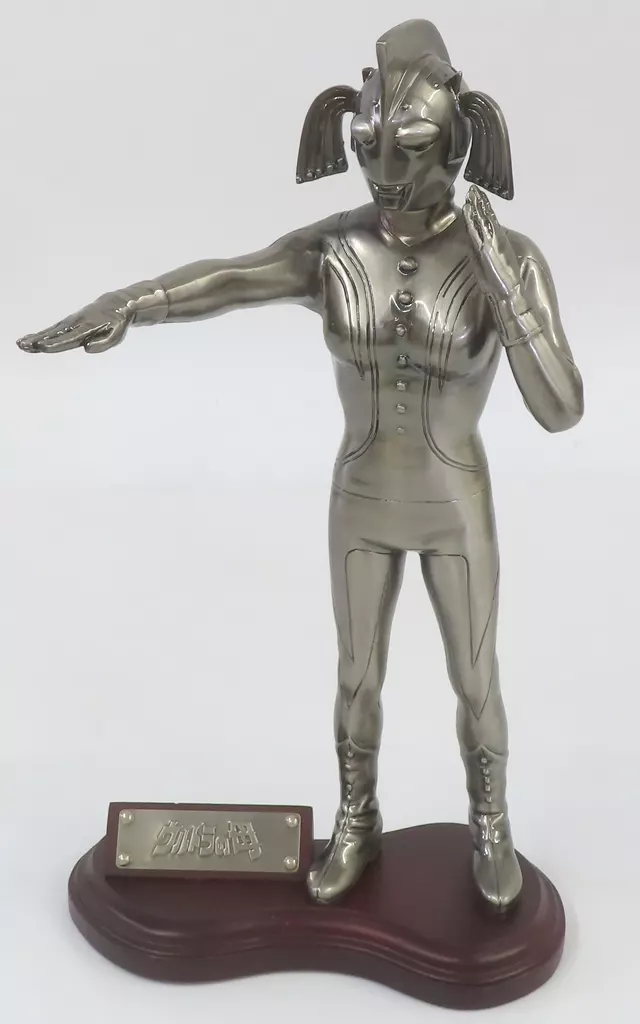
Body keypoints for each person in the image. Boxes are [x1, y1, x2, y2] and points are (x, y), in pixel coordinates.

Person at [17, 20, 583, 909]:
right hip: (360, 494)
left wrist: (506, 288)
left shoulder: (507, 259)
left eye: (412, 147)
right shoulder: (336, 250)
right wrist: (132, 301)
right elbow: (231, 278)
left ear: (459, 140)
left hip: (454, 502)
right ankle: (357, 818)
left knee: (476, 678)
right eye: (370, 146)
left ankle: (490, 820)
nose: (386, 169)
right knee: (356, 673)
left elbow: (562, 408)